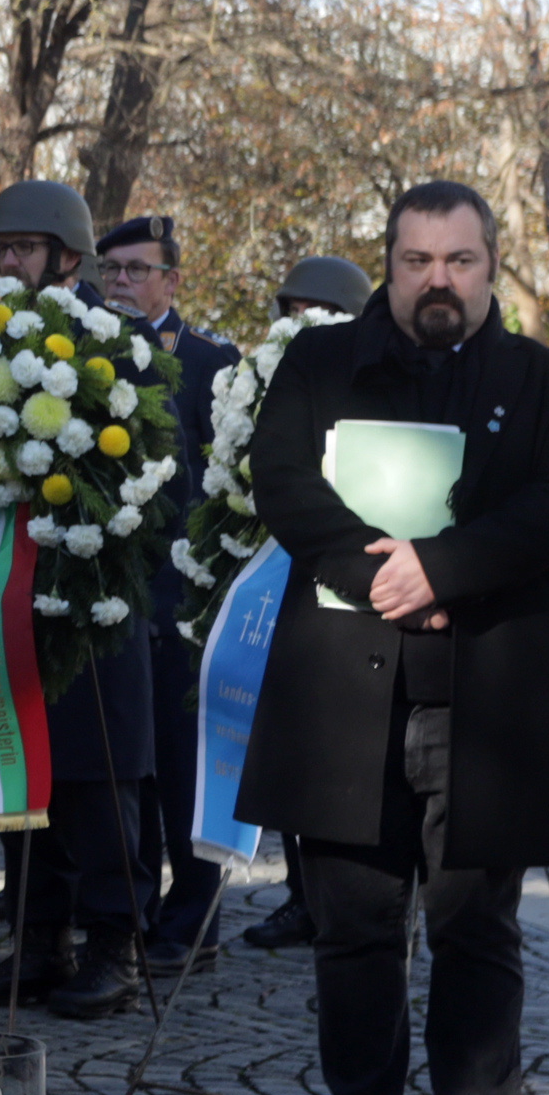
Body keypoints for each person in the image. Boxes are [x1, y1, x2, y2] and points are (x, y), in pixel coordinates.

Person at [240, 181, 549, 1095]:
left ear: (491, 267)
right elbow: (281, 481)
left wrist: (444, 568)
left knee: (473, 928)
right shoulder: (317, 364)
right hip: (341, 695)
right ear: (388, 263)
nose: (437, 280)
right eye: (416, 261)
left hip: (485, 694)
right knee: (352, 930)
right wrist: (376, 576)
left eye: (459, 260)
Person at [0, 181, 158, 1021]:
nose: (8, 259)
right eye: (1, 247)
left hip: (93, 599)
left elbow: (142, 470)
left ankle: (116, 945)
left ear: (69, 258)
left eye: (25, 247)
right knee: (21, 772)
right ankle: (38, 940)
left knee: (98, 782)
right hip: (11, 599)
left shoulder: (118, 349)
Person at [88, 214, 239, 959]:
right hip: (114, 590)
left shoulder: (212, 361)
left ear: (173, 281)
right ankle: (136, 907)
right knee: (129, 765)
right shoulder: (82, 355)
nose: (120, 282)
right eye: (110, 269)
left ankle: (195, 916)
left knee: (184, 769)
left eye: (137, 270)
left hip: (185, 596)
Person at [235, 251, 379, 954]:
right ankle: (301, 892)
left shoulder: (370, 377)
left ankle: (341, 900)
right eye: (290, 310)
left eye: (315, 312)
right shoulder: (269, 375)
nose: (299, 322)